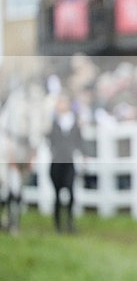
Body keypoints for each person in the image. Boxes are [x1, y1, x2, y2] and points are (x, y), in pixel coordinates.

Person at [47, 93, 85, 233]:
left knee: (71, 191)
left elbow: (79, 141)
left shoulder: (74, 122)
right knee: (57, 194)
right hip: (57, 161)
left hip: (69, 161)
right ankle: (58, 224)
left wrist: (82, 155)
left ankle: (70, 222)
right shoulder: (52, 122)